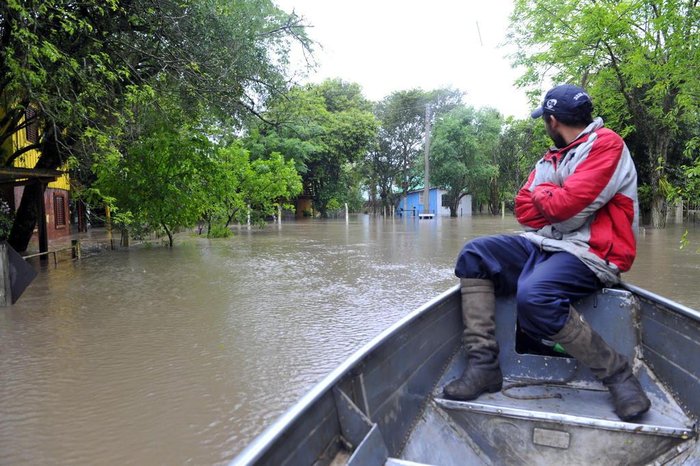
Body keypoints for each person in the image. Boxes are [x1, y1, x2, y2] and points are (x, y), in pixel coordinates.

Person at [442, 84, 651, 422]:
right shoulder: (549, 157)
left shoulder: (607, 145)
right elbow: (525, 210)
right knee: (475, 254)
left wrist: (552, 197)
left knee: (535, 296)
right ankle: (484, 366)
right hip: (544, 243)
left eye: (545, 120)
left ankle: (618, 376)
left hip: (592, 253)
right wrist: (554, 198)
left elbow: (567, 211)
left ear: (553, 121)